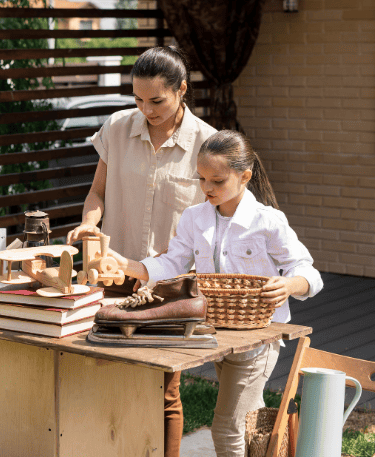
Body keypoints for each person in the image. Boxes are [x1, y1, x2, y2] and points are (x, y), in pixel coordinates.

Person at [105, 129, 324, 457]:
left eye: (217, 181)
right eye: (201, 179)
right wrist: (128, 265)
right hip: (218, 334)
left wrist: (291, 285)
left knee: (227, 429)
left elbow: (310, 272)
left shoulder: (268, 222)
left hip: (259, 341)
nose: (207, 188)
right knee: (251, 422)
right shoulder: (194, 217)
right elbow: (172, 262)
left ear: (244, 176)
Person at [67, 45, 217, 457]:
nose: (146, 109)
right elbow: (97, 193)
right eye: (137, 99)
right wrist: (89, 223)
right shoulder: (117, 127)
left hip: (166, 287)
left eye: (156, 101)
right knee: (105, 373)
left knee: (164, 386)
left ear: (182, 90)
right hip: (114, 276)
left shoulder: (206, 143)